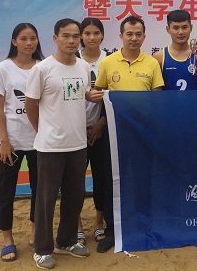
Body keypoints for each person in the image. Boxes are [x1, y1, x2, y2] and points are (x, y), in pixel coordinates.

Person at [26, 18, 103, 269]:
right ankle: (42, 248)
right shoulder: (42, 69)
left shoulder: (83, 67)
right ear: (55, 38)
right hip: (51, 146)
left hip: (78, 144)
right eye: (66, 36)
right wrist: (42, 131)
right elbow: (30, 104)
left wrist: (92, 95)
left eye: (75, 36)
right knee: (46, 199)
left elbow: (81, 94)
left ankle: (66, 241)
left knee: (75, 196)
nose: (71, 41)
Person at [93, 15, 164, 252]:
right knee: (112, 180)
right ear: (121, 36)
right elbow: (99, 92)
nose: (134, 38)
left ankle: (144, 225)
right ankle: (112, 230)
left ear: (144, 37)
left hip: (142, 132)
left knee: (143, 179)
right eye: (129, 34)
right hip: (114, 133)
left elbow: (157, 98)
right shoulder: (108, 62)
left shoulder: (152, 63)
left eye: (138, 34)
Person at [0, 23, 44, 262]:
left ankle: (35, 232)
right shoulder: (2, 69)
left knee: (40, 191)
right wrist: (5, 141)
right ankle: (7, 239)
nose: (29, 43)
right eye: (23, 38)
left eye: (33, 38)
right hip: (11, 142)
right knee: (6, 191)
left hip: (40, 141)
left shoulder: (44, 67)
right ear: (14, 41)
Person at [75, 18, 109, 247]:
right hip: (75, 131)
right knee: (74, 181)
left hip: (102, 130)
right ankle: (77, 226)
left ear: (102, 35)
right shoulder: (71, 60)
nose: (92, 37)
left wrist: (101, 123)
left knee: (102, 178)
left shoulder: (110, 60)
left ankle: (99, 222)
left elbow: (115, 95)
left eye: (96, 33)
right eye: (87, 33)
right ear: (81, 36)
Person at [152, 9, 197, 90]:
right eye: (176, 28)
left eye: (184, 27)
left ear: (191, 28)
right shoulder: (159, 57)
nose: (181, 32)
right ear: (168, 29)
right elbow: (156, 90)